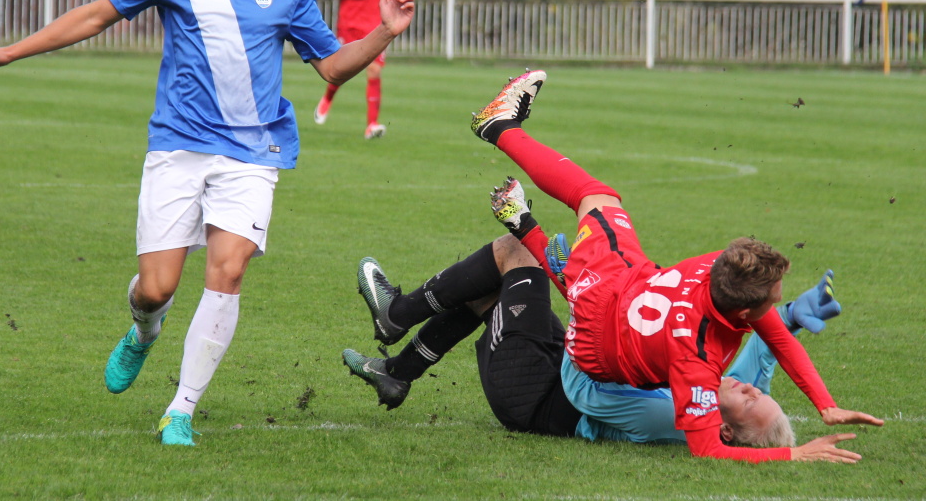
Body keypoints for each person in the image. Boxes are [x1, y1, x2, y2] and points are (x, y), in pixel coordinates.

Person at [0, 0, 415, 446]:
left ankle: (180, 410)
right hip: (177, 146)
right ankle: (144, 331)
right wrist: (10, 52)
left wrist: (384, 32)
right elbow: (97, 15)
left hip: (253, 152)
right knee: (156, 288)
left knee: (228, 271)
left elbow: (331, 65)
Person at [463, 70, 884, 462]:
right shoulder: (698, 355)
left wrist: (813, 422)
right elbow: (757, 363)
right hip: (605, 326)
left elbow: (762, 351)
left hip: (607, 323)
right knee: (594, 235)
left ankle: (502, 136)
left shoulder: (714, 270)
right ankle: (548, 245)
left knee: (594, 197)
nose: (776, 302)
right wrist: (810, 429)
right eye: (774, 298)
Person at [343, 240, 843, 450]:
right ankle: (397, 373)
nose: (749, 388)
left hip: (536, 395)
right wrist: (791, 317)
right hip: (559, 367)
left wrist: (579, 288)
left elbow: (590, 390)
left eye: (750, 400)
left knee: (517, 253)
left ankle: (396, 315)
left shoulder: (671, 417)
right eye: (759, 392)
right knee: (498, 286)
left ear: (725, 430)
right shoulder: (725, 395)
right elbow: (759, 362)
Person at [314, 0, 398, 139]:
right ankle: (327, 99)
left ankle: (372, 125)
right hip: (349, 25)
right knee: (342, 71)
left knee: (374, 70)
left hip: (375, 26)